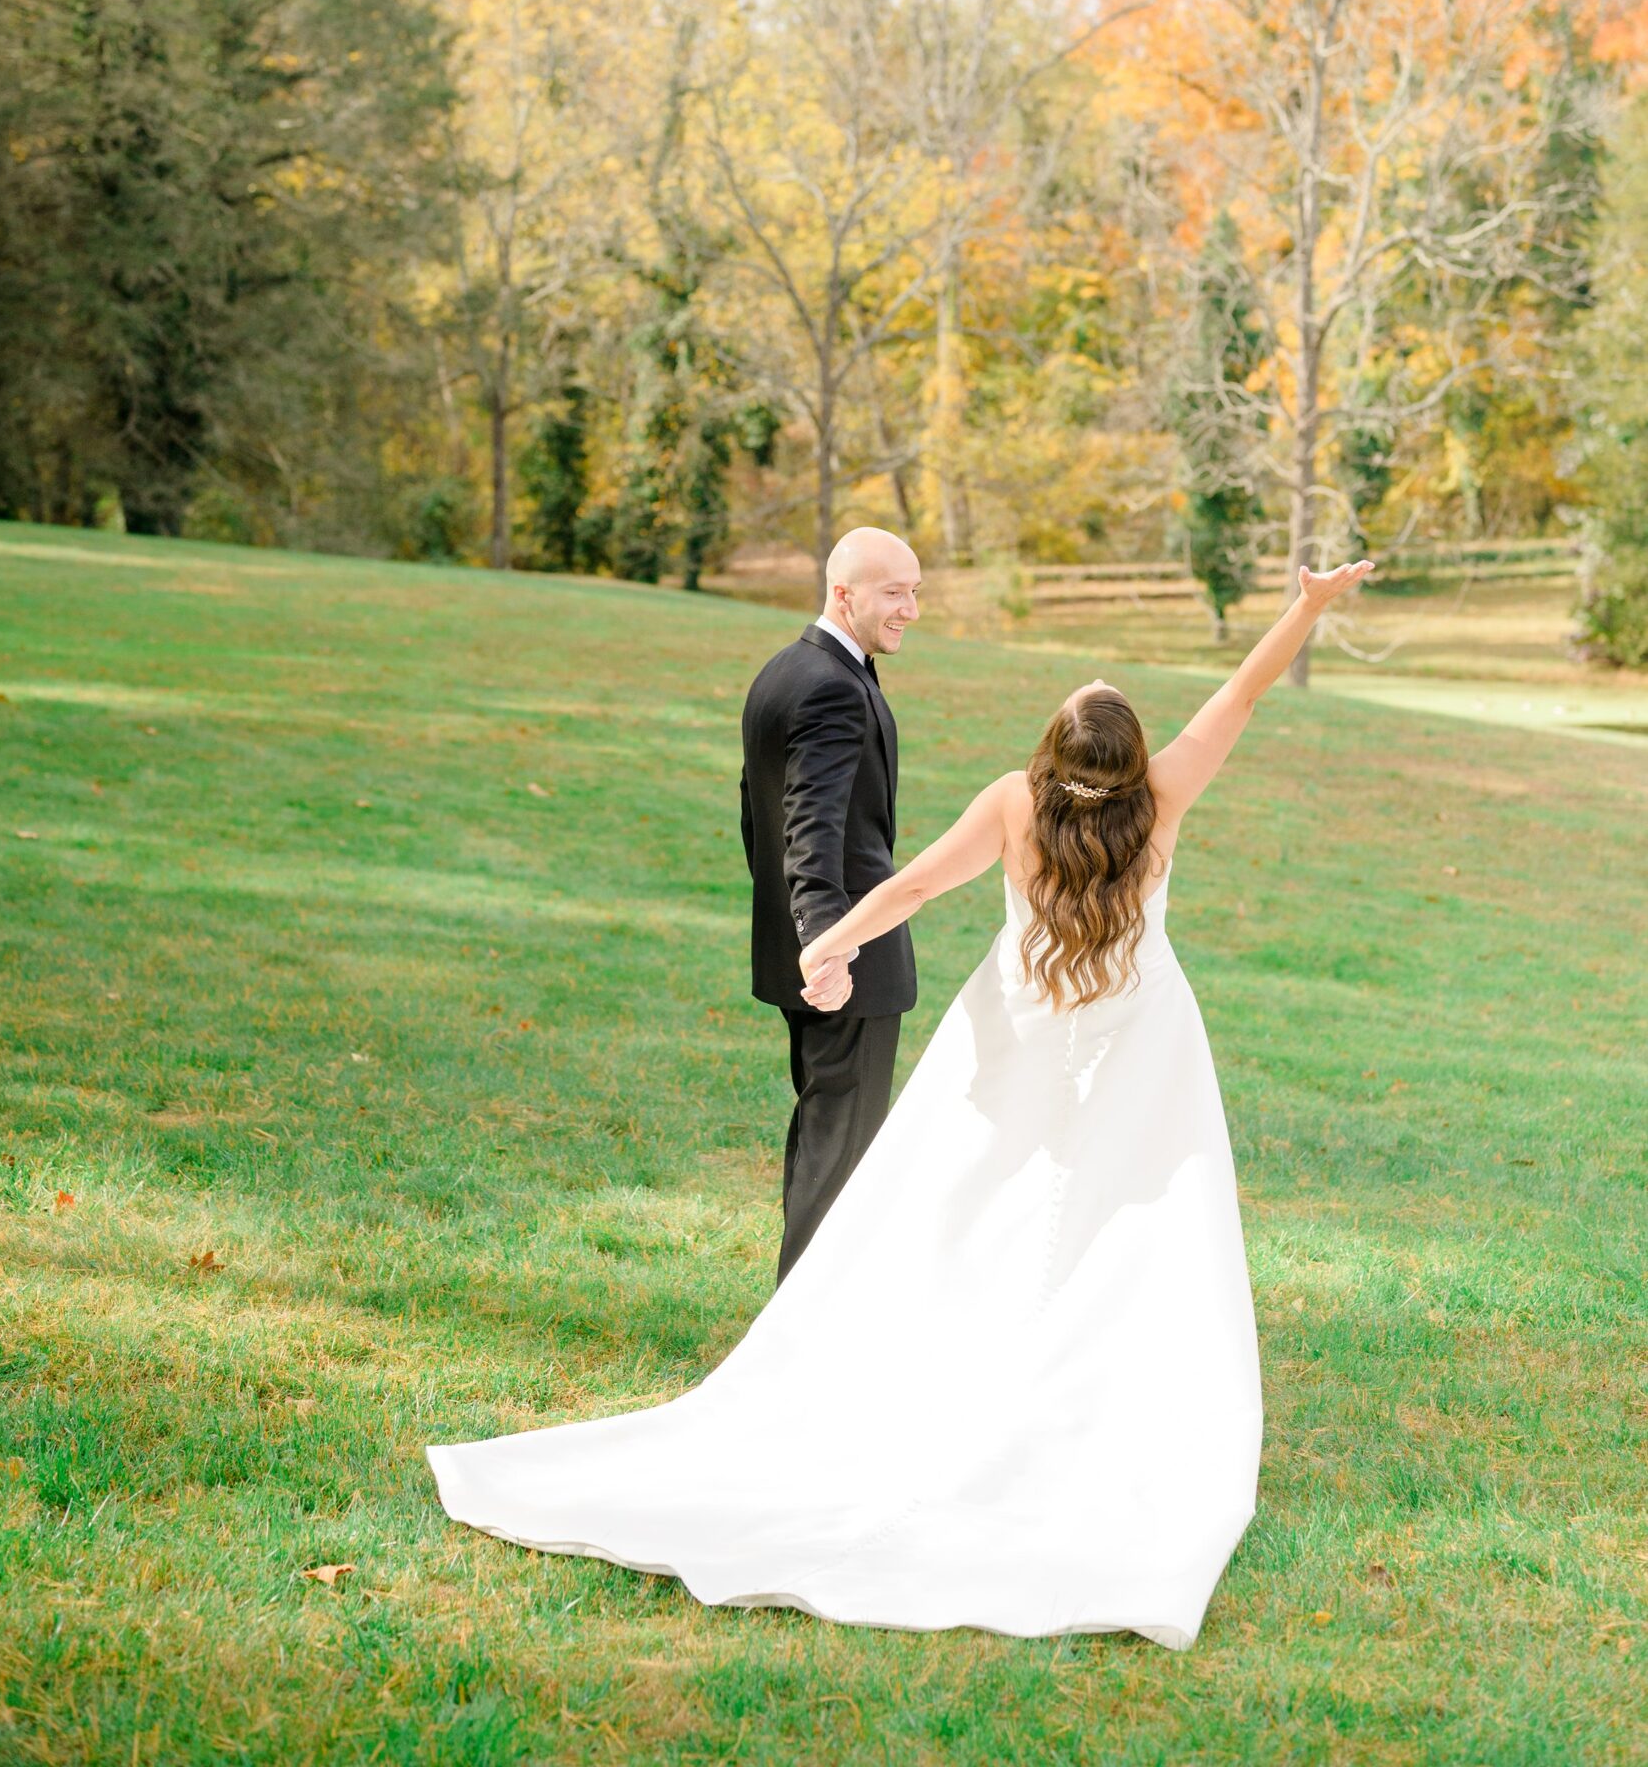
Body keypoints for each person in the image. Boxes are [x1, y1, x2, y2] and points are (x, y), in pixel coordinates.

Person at [428, 559, 1373, 1650]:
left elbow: (915, 883)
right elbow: (1240, 694)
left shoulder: (1013, 804)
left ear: (1052, 758)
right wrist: (1305, 606)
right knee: (1127, 1228)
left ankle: (972, 1377)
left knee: (971, 1210)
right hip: (1136, 1053)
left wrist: (827, 941)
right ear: (1129, 763)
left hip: (1016, 1044)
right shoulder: (1163, 798)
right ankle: (1081, 1399)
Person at [737, 527, 922, 1281]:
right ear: (842, 594)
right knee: (840, 1152)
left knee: (824, 1137)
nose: (909, 608)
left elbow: (757, 818)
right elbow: (807, 830)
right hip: (846, 966)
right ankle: (800, 1331)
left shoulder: (787, 670)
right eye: (892, 592)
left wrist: (794, 938)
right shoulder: (830, 688)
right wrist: (826, 945)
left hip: (807, 957)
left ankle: (801, 1316)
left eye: (914, 591)